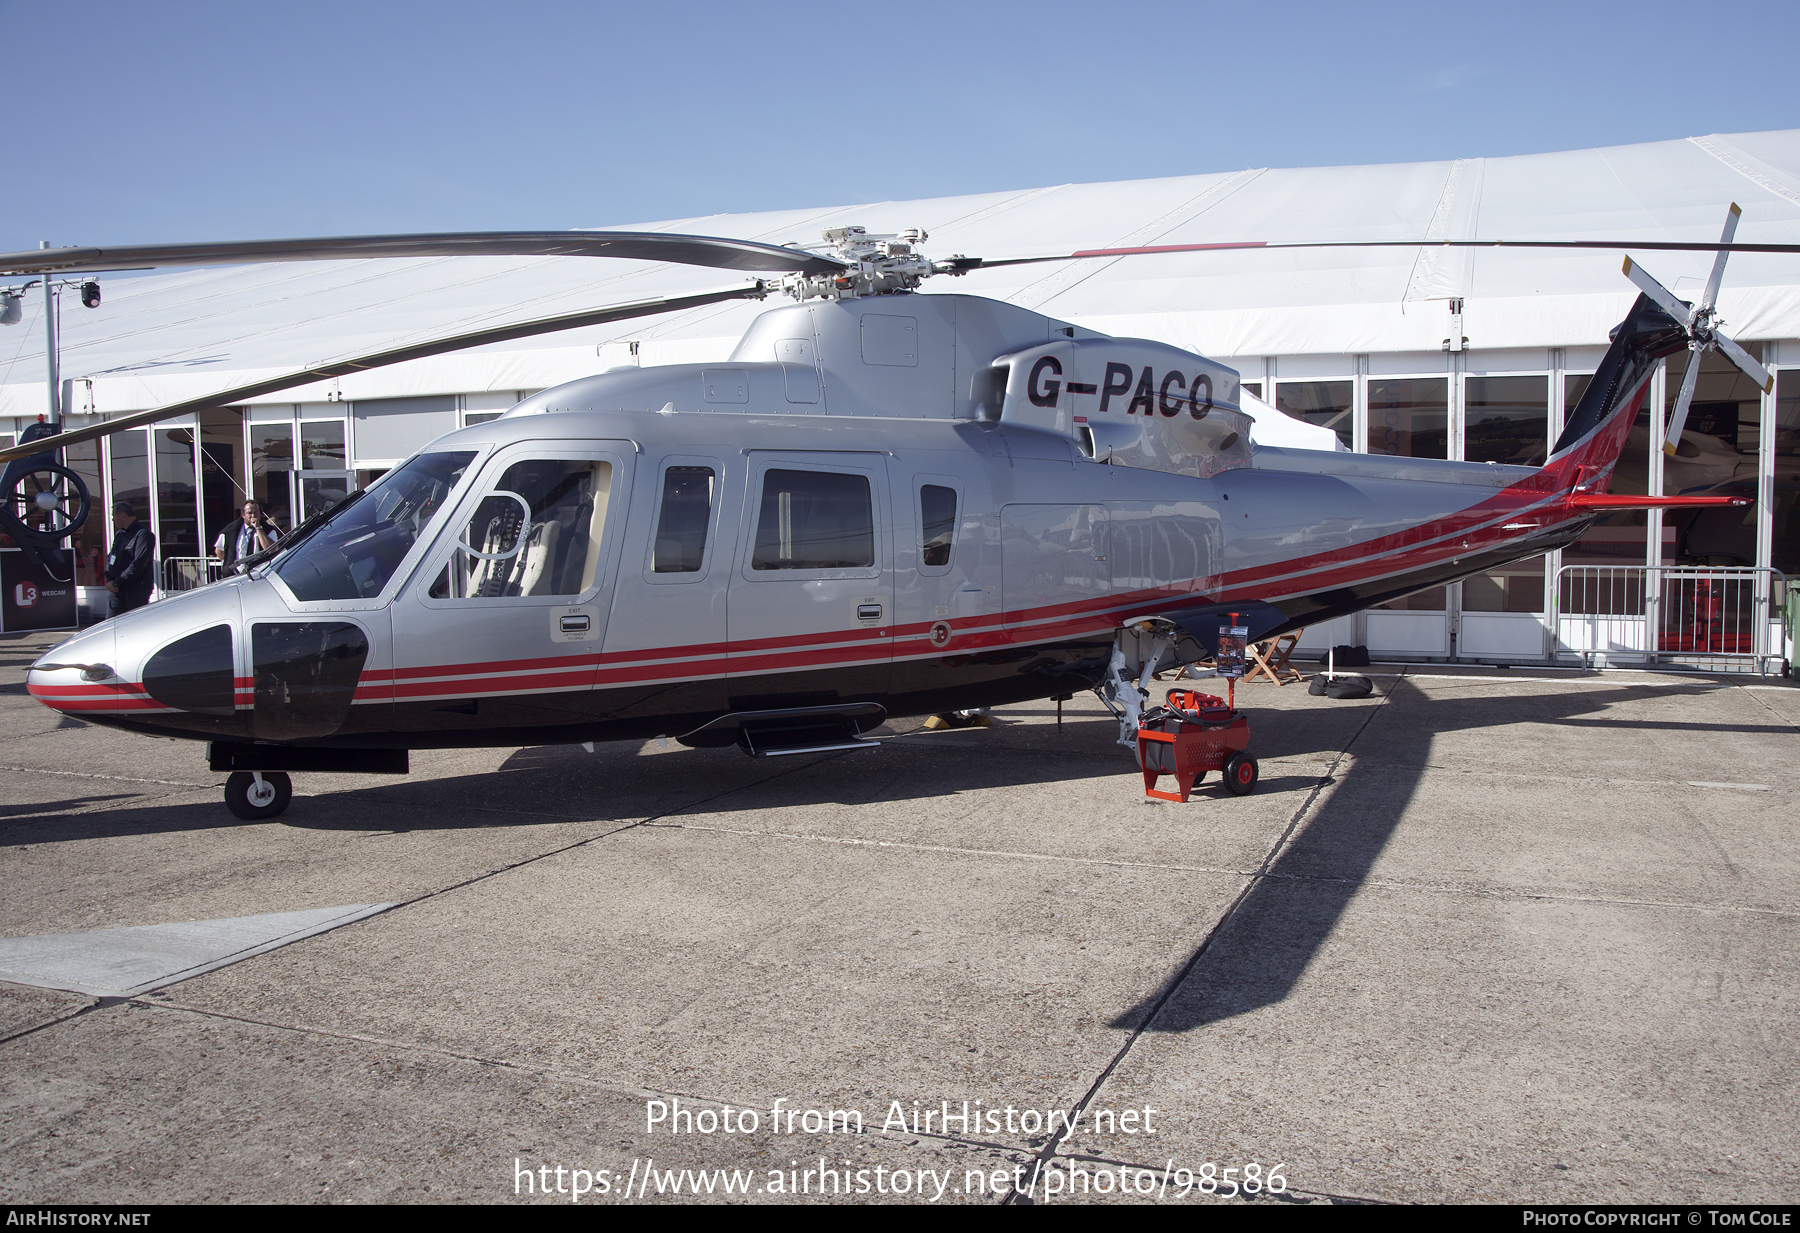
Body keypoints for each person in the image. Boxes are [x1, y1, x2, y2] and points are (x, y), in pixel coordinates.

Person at [104, 501, 156, 617]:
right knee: (111, 624)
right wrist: (109, 578)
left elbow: (138, 563)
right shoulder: (120, 534)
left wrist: (117, 582)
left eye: (114, 516)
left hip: (135, 588)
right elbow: (111, 557)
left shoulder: (143, 534)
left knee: (134, 623)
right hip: (117, 589)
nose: (113, 520)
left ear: (123, 516)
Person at [213, 500, 281, 569]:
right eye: (249, 513)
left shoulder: (269, 530)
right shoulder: (231, 530)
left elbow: (271, 549)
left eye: (255, 513)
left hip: (259, 573)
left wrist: (258, 528)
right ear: (243, 515)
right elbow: (219, 551)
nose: (253, 516)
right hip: (237, 573)